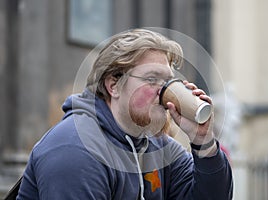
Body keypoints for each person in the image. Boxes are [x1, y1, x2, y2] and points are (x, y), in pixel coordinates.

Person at [17, 29, 233, 199]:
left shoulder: (156, 146)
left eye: (168, 81)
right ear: (114, 85)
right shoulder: (75, 149)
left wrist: (203, 141)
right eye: (151, 79)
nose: (164, 91)